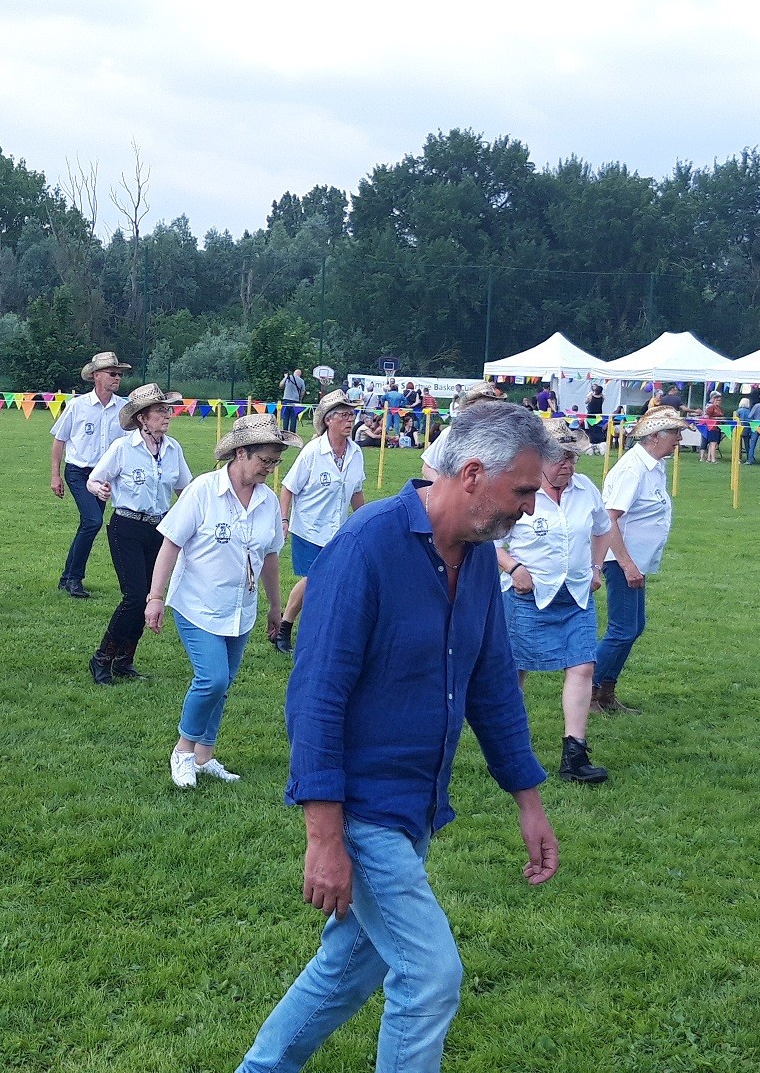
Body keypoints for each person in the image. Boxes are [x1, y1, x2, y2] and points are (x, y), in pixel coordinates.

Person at [235, 401, 559, 1073]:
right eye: (524, 489)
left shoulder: (474, 559)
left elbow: (493, 685)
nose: (531, 506)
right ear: (473, 473)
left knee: (350, 967)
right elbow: (316, 697)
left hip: (415, 806)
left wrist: (528, 800)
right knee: (430, 975)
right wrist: (324, 837)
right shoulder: (367, 546)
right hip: (361, 808)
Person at [145, 415, 295, 787]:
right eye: (265, 460)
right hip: (196, 604)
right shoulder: (202, 491)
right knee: (211, 679)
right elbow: (170, 544)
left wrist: (275, 607)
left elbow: (270, 557)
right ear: (241, 453)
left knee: (224, 683)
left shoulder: (267, 501)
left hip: (239, 610)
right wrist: (155, 597)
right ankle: (182, 752)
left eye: (276, 462)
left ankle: (204, 756)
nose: (270, 468)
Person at [501, 429, 613, 783]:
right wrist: (514, 569)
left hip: (576, 594)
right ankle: (509, 750)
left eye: (573, 457)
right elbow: (487, 540)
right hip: (525, 595)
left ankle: (575, 755)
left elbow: (602, 529)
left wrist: (596, 568)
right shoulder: (518, 489)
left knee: (582, 667)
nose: (568, 465)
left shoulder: (585, 490)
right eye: (561, 457)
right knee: (515, 672)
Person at [86, 383, 193, 684]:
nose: (167, 415)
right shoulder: (122, 448)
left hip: (159, 530)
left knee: (148, 597)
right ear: (142, 418)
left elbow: (185, 488)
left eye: (168, 410)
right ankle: (101, 658)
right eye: (160, 411)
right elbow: (93, 480)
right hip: (126, 527)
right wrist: (101, 489)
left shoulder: (173, 449)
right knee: (134, 596)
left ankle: (124, 660)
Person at [593, 407, 685, 715]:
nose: (679, 439)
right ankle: (588, 690)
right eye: (674, 433)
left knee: (634, 626)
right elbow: (609, 518)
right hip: (621, 560)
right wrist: (626, 563)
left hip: (634, 561)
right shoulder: (632, 469)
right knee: (622, 629)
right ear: (656, 437)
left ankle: (605, 693)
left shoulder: (653, 466)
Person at [275, 391, 366, 654]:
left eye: (352, 415)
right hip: (309, 529)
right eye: (344, 415)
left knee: (333, 582)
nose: (350, 420)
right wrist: (283, 519)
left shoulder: (356, 452)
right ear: (328, 420)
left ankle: (299, 629)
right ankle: (286, 628)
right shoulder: (312, 452)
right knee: (315, 580)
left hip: (338, 530)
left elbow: (356, 491)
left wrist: (364, 522)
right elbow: (287, 487)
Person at [50, 352, 131, 597]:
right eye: (112, 373)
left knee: (88, 524)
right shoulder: (77, 405)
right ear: (96, 376)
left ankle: (67, 577)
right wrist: (55, 475)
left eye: (119, 374)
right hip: (78, 472)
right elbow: (59, 440)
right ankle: (75, 578)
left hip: (105, 476)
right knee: (93, 522)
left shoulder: (123, 408)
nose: (117, 378)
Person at [700, 392, 726, 464]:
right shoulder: (711, 407)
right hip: (712, 427)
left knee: (713, 443)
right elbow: (706, 416)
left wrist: (722, 419)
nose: (718, 402)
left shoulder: (720, 408)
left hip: (718, 427)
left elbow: (722, 417)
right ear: (714, 400)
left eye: (720, 400)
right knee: (713, 443)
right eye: (717, 400)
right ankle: (713, 459)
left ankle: (709, 458)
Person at [280, 366, 307, 433]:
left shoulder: (288, 378)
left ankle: (285, 431)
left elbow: (281, 385)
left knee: (285, 417)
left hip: (286, 400)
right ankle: (292, 432)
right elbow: (303, 391)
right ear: (300, 375)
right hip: (296, 401)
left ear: (294, 373)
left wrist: (285, 377)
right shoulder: (301, 381)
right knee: (293, 418)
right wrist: (300, 398)